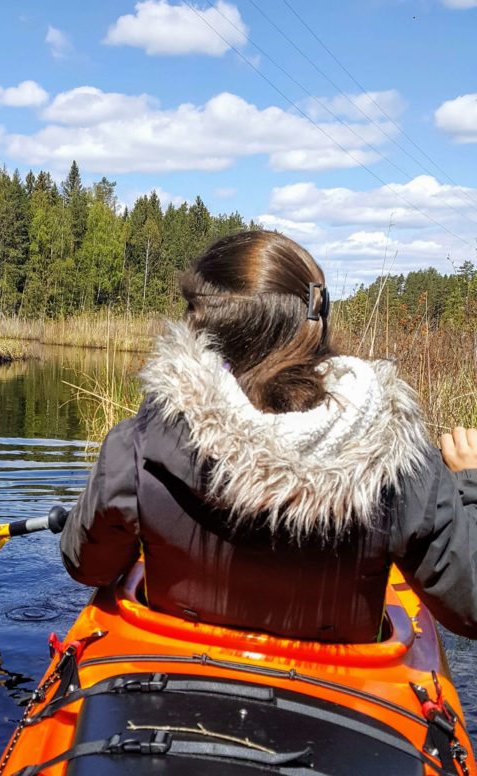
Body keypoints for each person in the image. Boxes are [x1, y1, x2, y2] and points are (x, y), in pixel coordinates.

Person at [60, 230, 477, 643]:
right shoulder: (399, 459)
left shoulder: (139, 445)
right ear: (316, 322)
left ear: (197, 326)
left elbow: (87, 567)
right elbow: (470, 609)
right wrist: (469, 485)